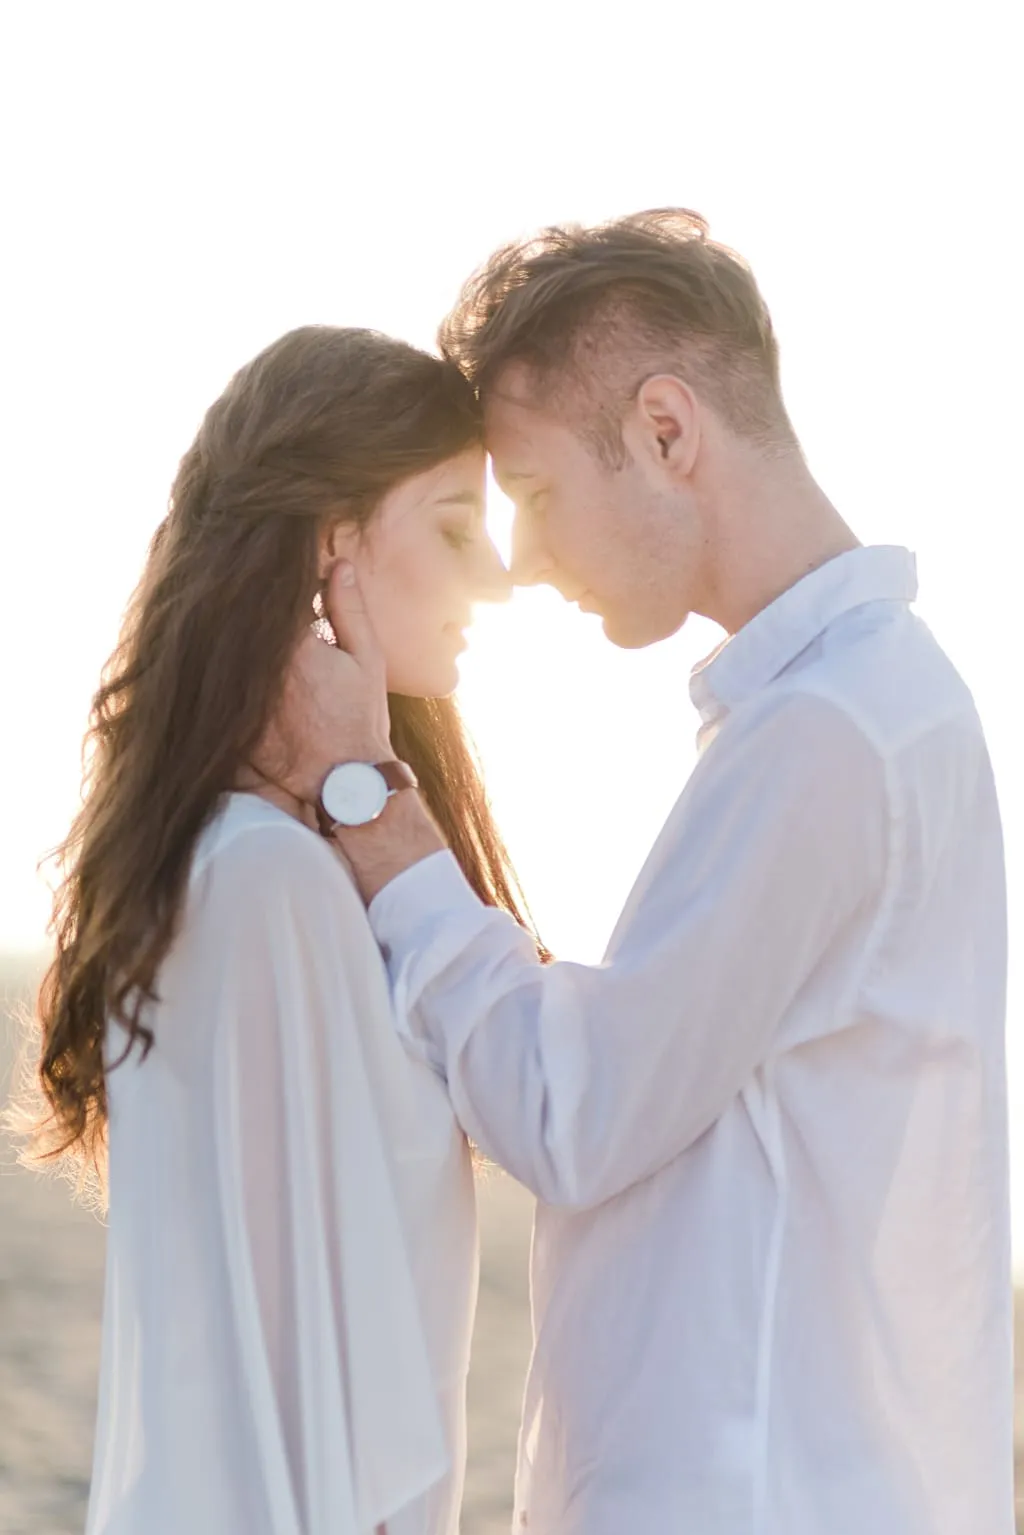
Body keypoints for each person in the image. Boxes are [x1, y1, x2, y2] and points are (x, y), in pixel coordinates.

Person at [271, 211, 1015, 1535]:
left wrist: (369, 800)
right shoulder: (843, 708)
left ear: (668, 432)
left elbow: (576, 1111)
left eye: (541, 494)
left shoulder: (833, 730)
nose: (528, 559)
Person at [18, 326, 527, 1535]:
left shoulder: (254, 862)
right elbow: (301, 1384)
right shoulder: (267, 885)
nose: (498, 574)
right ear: (333, 545)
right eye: (456, 522)